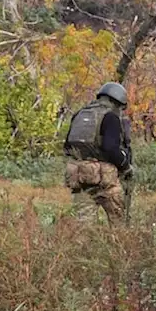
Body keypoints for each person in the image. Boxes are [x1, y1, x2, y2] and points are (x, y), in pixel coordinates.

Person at [63, 82, 133, 222]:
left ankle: (84, 244)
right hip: (106, 180)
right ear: (117, 102)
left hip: (80, 178)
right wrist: (125, 164)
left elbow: (67, 147)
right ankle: (119, 244)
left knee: (83, 226)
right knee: (118, 222)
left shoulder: (80, 114)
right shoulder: (110, 117)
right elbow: (110, 148)